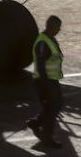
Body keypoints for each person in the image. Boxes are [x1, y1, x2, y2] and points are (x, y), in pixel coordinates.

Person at [27, 15, 65, 149]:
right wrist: (46, 85)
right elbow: (40, 65)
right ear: (50, 26)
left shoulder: (50, 38)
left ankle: (36, 122)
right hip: (44, 81)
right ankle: (47, 139)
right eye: (57, 27)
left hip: (52, 79)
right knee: (52, 108)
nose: (59, 30)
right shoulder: (43, 42)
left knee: (55, 105)